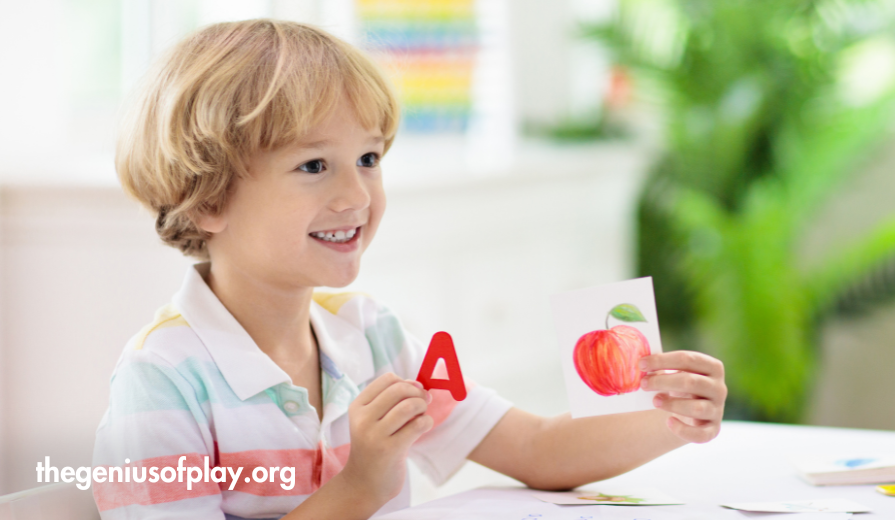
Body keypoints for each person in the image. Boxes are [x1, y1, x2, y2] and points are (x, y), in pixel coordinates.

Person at [93, 19, 727, 519]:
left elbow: (535, 448)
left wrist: (673, 420)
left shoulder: (372, 337)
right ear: (208, 200)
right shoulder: (162, 381)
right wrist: (361, 486)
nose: (357, 195)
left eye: (368, 157)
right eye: (314, 166)